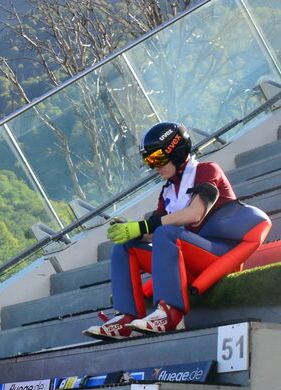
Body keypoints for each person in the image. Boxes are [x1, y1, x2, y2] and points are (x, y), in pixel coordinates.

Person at [88, 121, 271, 340]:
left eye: (157, 158)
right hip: (188, 255)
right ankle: (126, 318)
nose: (155, 167)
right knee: (125, 247)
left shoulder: (207, 170)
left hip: (218, 253)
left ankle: (171, 315)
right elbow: (152, 230)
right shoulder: (167, 191)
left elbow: (196, 213)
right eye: (149, 162)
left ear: (175, 150)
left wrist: (143, 226)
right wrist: (133, 230)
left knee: (165, 233)